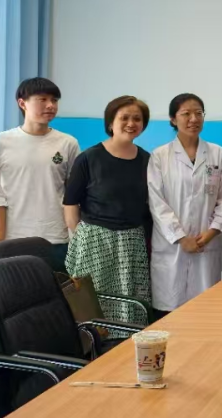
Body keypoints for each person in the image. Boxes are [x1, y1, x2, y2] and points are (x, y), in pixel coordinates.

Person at [63, 96, 152, 323]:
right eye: (124, 118)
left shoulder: (147, 160)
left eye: (137, 119)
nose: (131, 123)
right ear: (111, 123)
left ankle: (125, 343)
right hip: (95, 240)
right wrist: (80, 237)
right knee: (92, 304)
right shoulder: (88, 158)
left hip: (132, 242)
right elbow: (70, 203)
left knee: (131, 303)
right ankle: (94, 343)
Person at [148, 94, 222, 316]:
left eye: (198, 113)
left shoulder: (217, 153)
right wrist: (180, 237)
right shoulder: (160, 156)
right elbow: (157, 202)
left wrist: (213, 231)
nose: (193, 119)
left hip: (207, 242)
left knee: (205, 311)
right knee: (169, 312)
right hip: (171, 246)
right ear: (173, 119)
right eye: (186, 114)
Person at [0, 78, 79, 271]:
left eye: (54, 100)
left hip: (55, 239)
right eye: (42, 99)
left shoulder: (68, 143)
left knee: (57, 289)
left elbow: (74, 194)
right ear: (22, 103)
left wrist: (76, 232)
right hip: (12, 239)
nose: (50, 105)